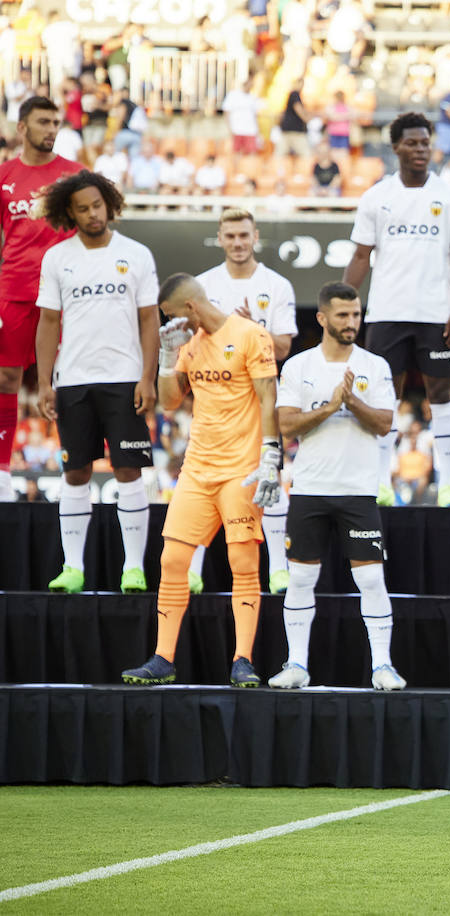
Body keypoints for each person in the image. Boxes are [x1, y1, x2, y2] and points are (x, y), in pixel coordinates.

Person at [121, 273, 281, 688]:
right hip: (197, 469)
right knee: (172, 561)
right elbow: (171, 402)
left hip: (241, 470)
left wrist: (270, 454)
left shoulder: (250, 335)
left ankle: (242, 659)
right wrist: (170, 359)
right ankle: (162, 659)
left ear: (190, 308)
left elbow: (268, 396)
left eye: (174, 318)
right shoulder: (189, 344)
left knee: (242, 564)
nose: (174, 326)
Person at [268, 283, 406, 691]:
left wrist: (351, 402)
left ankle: (383, 665)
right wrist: (329, 406)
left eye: (357, 314)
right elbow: (287, 426)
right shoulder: (298, 366)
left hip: (358, 490)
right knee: (300, 580)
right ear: (322, 318)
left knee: (371, 581)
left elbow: (384, 424)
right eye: (343, 315)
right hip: (310, 487)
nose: (352, 323)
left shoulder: (375, 365)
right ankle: (296, 664)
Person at [33, 170, 158, 594]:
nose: (92, 214)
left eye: (97, 205)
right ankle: (73, 568)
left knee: (128, 472)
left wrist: (147, 376)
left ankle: (134, 568)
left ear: (109, 204)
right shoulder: (57, 258)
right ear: (69, 212)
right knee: (75, 473)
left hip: (125, 381)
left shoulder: (137, 254)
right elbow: (49, 321)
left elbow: (149, 319)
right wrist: (46, 381)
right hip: (74, 382)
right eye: (83, 209)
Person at [343, 112, 450, 508]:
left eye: (425, 143)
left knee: (441, 393)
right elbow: (362, 255)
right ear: (396, 146)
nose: (421, 150)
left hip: (436, 313)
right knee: (386, 396)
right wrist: (339, 301)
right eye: (413, 143)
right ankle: (382, 481)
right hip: (387, 312)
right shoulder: (376, 196)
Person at [191, 208, 299, 595]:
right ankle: (192, 569)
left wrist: (252, 329)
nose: (237, 243)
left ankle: (279, 570)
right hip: (214, 402)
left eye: (244, 235)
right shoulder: (202, 286)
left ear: (256, 237)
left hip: (260, 401)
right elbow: (192, 347)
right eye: (230, 236)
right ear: (219, 238)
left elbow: (284, 346)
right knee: (204, 482)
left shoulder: (277, 285)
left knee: (268, 480)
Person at [0, 96, 82, 501]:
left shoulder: (74, 175)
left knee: (69, 383)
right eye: (43, 122)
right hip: (14, 289)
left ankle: (77, 469)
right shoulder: (4, 176)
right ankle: (1, 472)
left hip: (65, 294)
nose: (52, 129)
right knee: (5, 379)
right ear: (22, 128)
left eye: (56, 123)